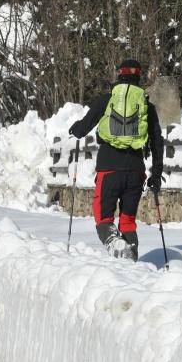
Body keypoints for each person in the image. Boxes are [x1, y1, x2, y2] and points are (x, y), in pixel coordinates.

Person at [68, 58, 164, 261]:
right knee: (128, 220)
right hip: (136, 171)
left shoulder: (106, 100)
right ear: (139, 76)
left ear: (119, 74)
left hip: (109, 168)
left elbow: (84, 126)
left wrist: (76, 130)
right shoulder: (147, 106)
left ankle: (114, 242)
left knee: (103, 216)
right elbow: (157, 141)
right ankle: (131, 259)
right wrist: (156, 173)